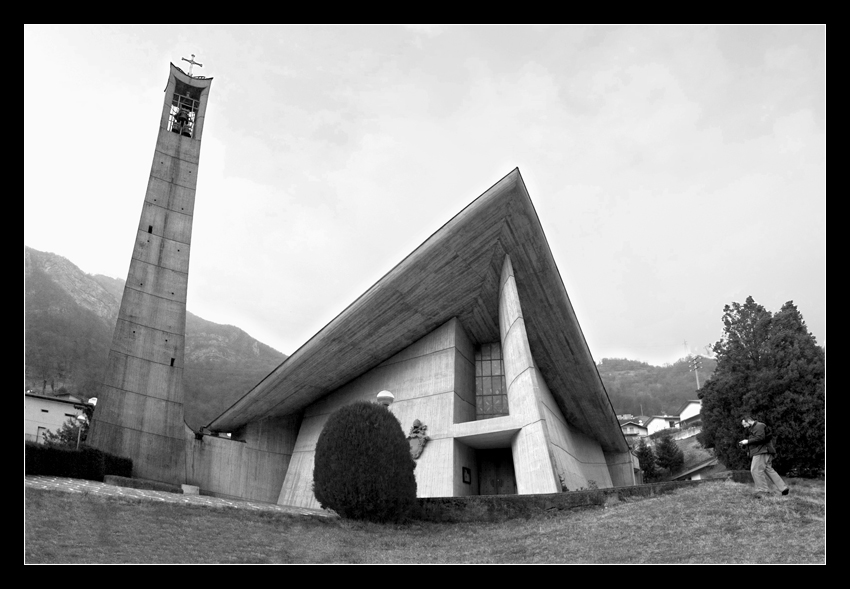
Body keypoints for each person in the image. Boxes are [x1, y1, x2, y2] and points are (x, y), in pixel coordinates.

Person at [739, 416, 789, 497]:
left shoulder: (759, 426)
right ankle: (783, 488)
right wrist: (745, 444)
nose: (744, 427)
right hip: (764, 451)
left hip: (761, 452)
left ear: (749, 421)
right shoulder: (755, 428)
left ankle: (763, 491)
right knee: (768, 469)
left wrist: (747, 441)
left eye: (745, 424)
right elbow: (758, 440)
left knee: (755, 470)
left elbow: (760, 438)